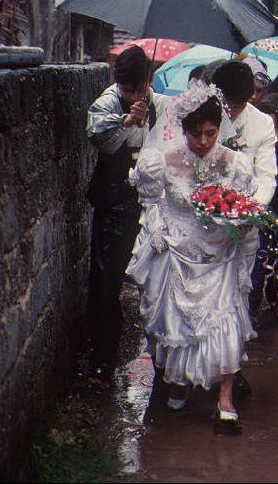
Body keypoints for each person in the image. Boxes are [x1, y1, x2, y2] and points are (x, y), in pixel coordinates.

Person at [125, 79, 256, 425]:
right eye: (195, 134)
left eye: (211, 133)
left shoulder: (235, 165)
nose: (203, 142)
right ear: (182, 130)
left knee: (224, 318)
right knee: (177, 320)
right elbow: (152, 202)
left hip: (220, 251)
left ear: (219, 130)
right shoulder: (161, 162)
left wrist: (240, 222)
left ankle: (225, 394)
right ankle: (179, 382)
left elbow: (244, 208)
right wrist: (157, 231)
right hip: (179, 248)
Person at [84, 45, 168, 380]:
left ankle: (163, 357)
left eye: (138, 88)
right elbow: (98, 136)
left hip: (153, 201)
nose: (133, 94)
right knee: (107, 281)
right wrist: (126, 120)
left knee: (160, 280)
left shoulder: (160, 104)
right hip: (114, 200)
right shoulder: (107, 103)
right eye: (126, 89)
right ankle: (103, 355)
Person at [212, 59, 278, 395]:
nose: (233, 111)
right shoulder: (205, 115)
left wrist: (253, 207)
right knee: (208, 299)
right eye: (228, 103)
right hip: (206, 224)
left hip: (244, 223)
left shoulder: (263, 125)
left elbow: (267, 175)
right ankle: (202, 366)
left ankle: (232, 368)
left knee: (238, 296)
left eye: (239, 104)